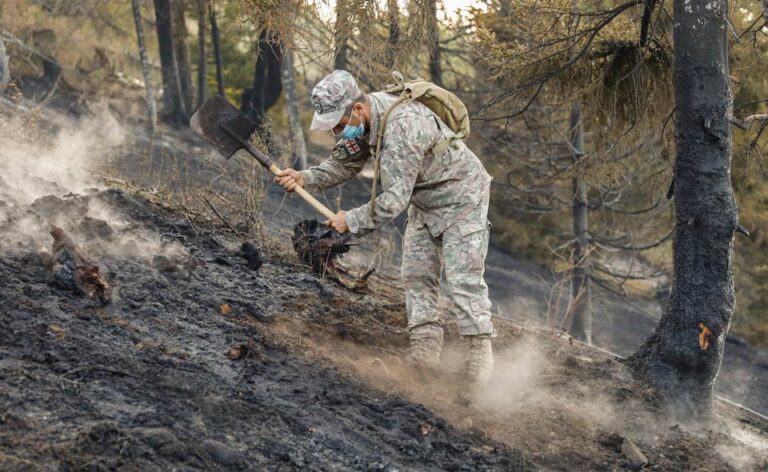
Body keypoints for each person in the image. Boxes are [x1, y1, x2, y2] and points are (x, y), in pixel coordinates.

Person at [275, 70, 495, 387]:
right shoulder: (365, 122)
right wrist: (304, 177)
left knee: (463, 280)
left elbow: (393, 201)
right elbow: (343, 164)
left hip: (463, 199)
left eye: (338, 124)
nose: (338, 132)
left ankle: (479, 367)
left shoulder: (402, 126)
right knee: (416, 274)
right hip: (426, 201)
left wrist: (350, 221)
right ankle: (424, 358)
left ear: (358, 109)